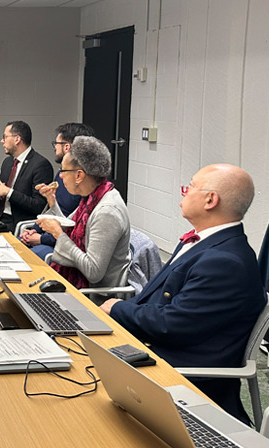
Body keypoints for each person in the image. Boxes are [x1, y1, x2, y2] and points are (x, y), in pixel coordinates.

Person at [101, 164, 266, 424]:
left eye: (189, 187)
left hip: (180, 378)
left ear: (210, 200)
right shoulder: (204, 243)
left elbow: (172, 324)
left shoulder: (225, 261)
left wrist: (117, 308)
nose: (183, 194)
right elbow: (157, 303)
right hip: (154, 352)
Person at [35, 135, 130, 290]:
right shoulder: (91, 198)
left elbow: (93, 272)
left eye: (63, 170)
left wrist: (58, 235)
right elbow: (68, 226)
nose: (60, 176)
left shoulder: (107, 211)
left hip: (94, 295)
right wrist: (52, 201)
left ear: (79, 175)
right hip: (80, 285)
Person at [19, 122, 95, 259]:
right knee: (15, 247)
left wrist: (41, 239)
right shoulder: (63, 175)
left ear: (67, 147)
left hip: (63, 246)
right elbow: (56, 214)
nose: (54, 148)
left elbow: (72, 229)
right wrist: (33, 231)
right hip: (52, 237)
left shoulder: (84, 187)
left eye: (56, 144)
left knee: (27, 257)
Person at [0, 120, 53, 231]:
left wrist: (8, 192)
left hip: (17, 223)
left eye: (5, 137)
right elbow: (0, 193)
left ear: (17, 139)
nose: (2, 141)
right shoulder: (8, 162)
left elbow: (39, 206)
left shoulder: (41, 165)